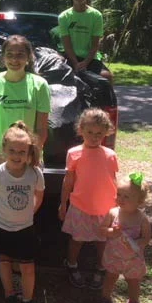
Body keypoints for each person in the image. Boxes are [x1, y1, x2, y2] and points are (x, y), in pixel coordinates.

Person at [0, 35, 50, 295]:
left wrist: (29, 158)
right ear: (2, 57)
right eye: (10, 54)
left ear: (28, 58)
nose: (15, 59)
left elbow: (41, 128)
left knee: (22, 212)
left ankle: (17, 270)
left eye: (20, 54)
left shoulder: (38, 84)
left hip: (26, 157)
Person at [0, 122, 45, 303]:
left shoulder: (35, 173)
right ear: (4, 149)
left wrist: (29, 212)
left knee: (27, 267)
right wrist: (2, 215)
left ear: (29, 152)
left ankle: (28, 300)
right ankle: (9, 297)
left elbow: (39, 195)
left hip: (24, 228)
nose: (17, 156)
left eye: (21, 152)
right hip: (1, 226)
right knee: (4, 261)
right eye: (12, 151)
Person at [58, 107, 118, 290]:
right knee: (77, 240)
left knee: (102, 241)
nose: (94, 137)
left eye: (99, 133)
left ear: (106, 132)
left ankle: (101, 268)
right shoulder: (74, 153)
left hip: (104, 209)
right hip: (80, 206)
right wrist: (63, 203)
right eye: (90, 132)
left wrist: (118, 206)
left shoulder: (110, 155)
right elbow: (68, 180)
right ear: (81, 130)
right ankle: (71, 264)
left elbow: (113, 180)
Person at [97, 173, 151, 303]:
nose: (120, 199)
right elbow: (101, 230)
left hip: (133, 259)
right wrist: (111, 231)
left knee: (133, 282)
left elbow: (146, 238)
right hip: (114, 255)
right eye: (119, 194)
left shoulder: (142, 219)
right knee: (110, 278)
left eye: (126, 197)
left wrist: (137, 243)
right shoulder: (113, 213)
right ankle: (106, 300)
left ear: (139, 201)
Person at [57, 0, 113, 83]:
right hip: (70, 57)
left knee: (107, 77)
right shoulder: (63, 17)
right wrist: (75, 63)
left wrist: (85, 63)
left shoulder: (96, 16)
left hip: (90, 58)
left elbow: (95, 45)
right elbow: (67, 45)